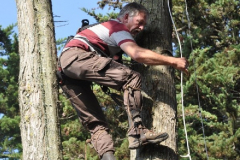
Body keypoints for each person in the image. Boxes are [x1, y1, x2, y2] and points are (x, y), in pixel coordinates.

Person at [58, 2, 188, 160]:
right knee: (132, 78)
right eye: (139, 22)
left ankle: (108, 157)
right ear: (126, 17)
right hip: (76, 58)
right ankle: (138, 132)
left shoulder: (106, 39)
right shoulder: (117, 27)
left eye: (143, 25)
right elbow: (137, 54)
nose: (141, 28)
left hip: (66, 74)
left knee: (96, 123)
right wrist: (174, 62)